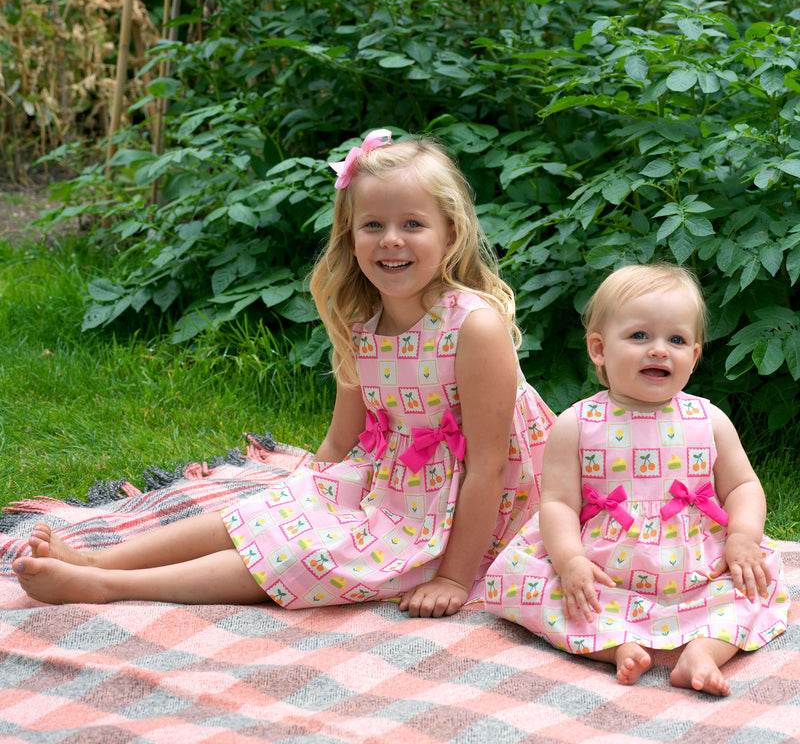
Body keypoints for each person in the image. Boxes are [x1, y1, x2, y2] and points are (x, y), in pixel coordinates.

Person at [13, 128, 554, 617]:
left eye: (413, 224)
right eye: (373, 225)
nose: (391, 239)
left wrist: (455, 578)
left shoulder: (473, 327)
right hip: (396, 484)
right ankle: (102, 559)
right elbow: (341, 439)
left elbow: (490, 466)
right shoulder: (364, 324)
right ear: (350, 236)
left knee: (305, 555)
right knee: (262, 515)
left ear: (450, 234)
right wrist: (298, 500)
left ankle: (106, 587)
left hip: (474, 506)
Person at [483, 263, 788, 695]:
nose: (659, 350)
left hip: (696, 565)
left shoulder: (708, 419)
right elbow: (558, 504)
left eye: (676, 340)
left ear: (694, 356)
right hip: (606, 569)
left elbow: (742, 486)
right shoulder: (577, 424)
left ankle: (704, 650)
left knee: (755, 578)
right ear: (599, 349)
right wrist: (570, 561)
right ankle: (617, 646)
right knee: (529, 580)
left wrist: (741, 536)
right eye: (640, 336)